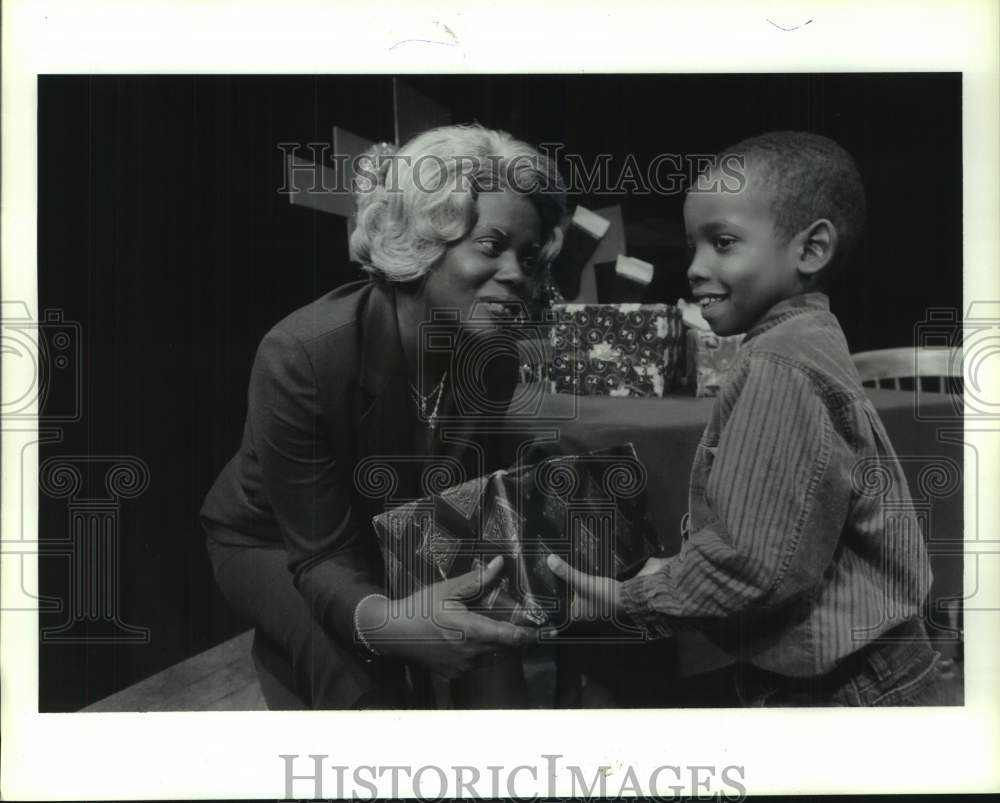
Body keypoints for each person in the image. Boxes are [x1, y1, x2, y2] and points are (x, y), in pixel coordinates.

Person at [548, 131, 948, 706]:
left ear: (810, 251)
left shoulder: (778, 366)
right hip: (865, 671)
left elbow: (751, 564)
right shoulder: (805, 338)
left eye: (724, 242)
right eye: (694, 245)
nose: (695, 266)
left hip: (849, 690)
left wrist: (629, 598)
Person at [201, 124, 567, 709]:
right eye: (492, 246)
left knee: (494, 654)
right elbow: (320, 554)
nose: (518, 275)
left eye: (528, 255)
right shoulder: (301, 353)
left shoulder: (493, 356)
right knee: (364, 682)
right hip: (276, 543)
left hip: (396, 531)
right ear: (423, 239)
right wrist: (390, 625)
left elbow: (470, 503)